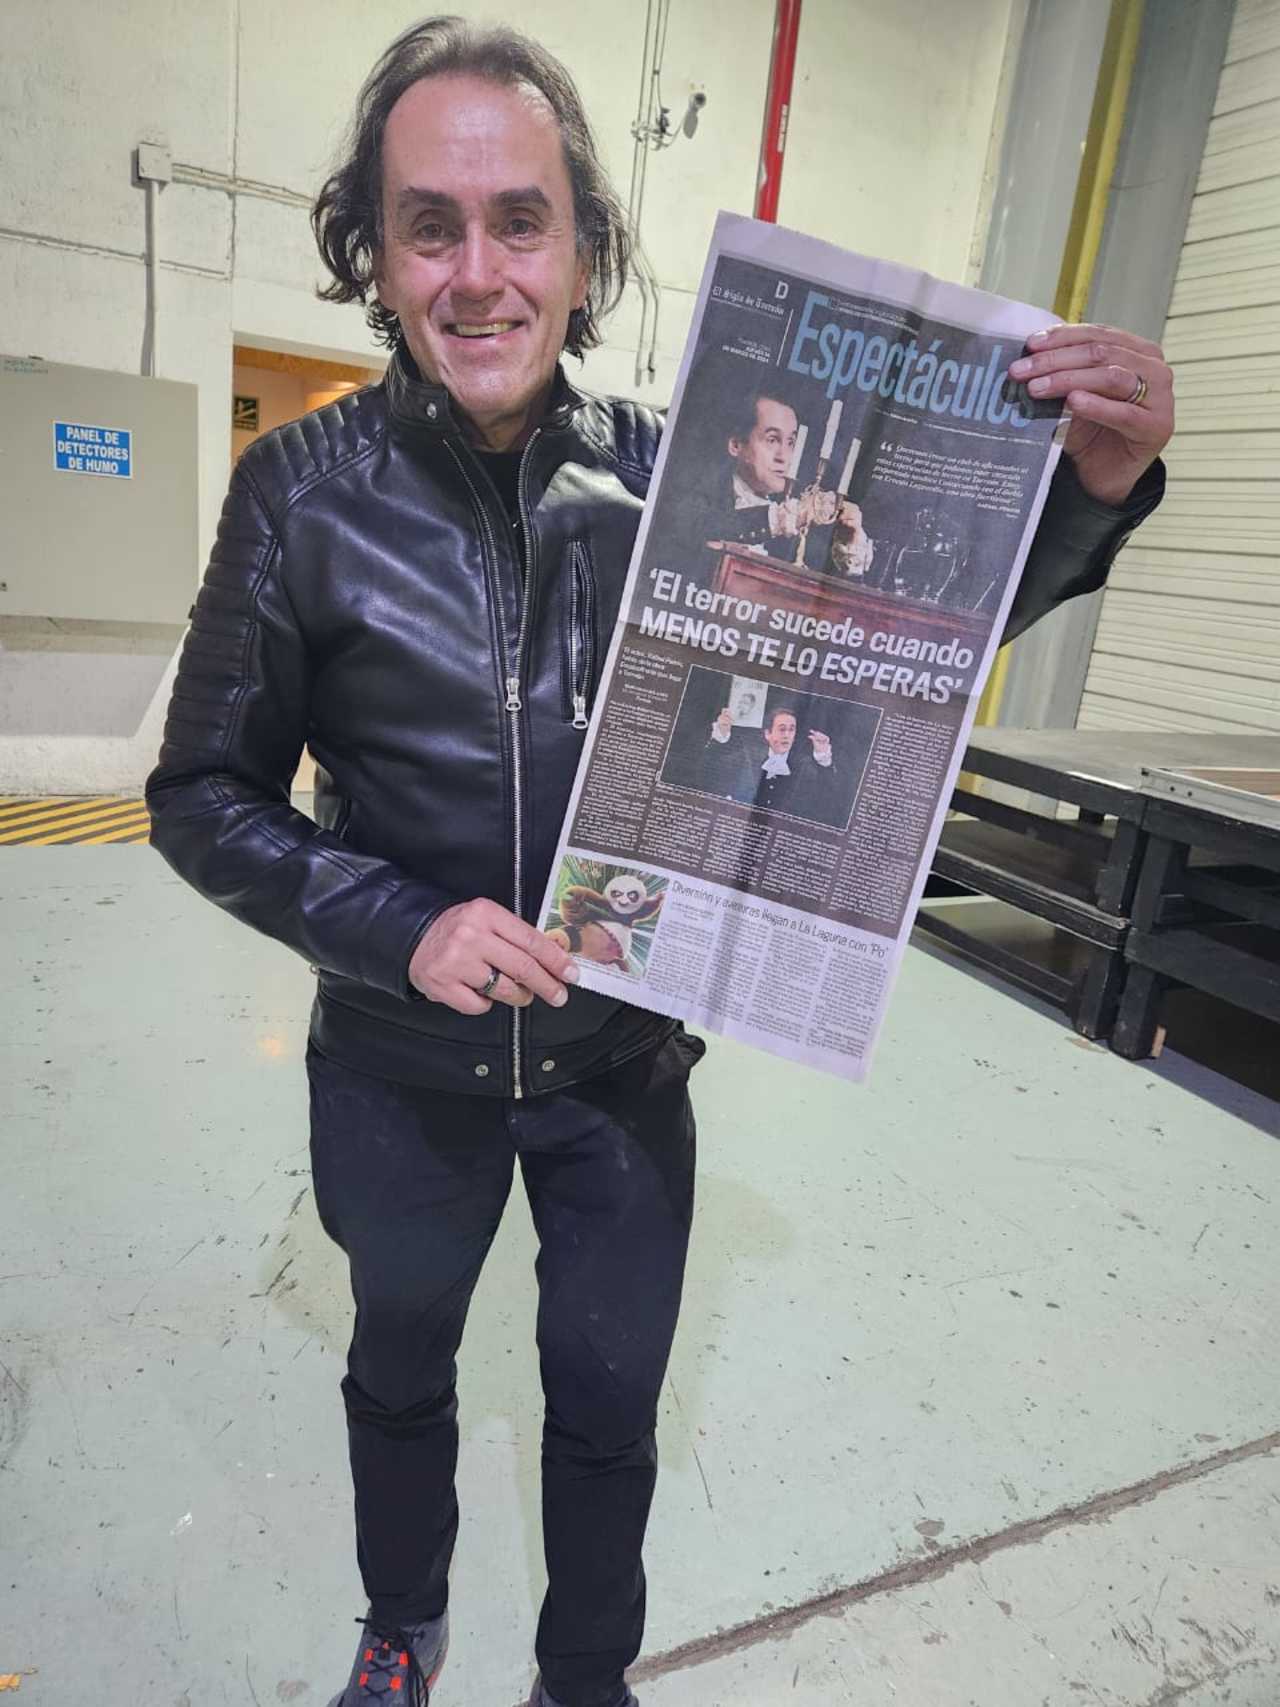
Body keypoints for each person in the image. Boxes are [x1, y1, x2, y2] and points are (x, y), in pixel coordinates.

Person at [145, 16, 1174, 1707]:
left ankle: (585, 1675)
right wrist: (395, 926)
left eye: (521, 221)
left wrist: (1092, 493)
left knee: (609, 1400)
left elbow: (891, 641)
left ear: (584, 251)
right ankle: (402, 1625)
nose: (479, 271)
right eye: (428, 225)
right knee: (398, 1366)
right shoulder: (298, 493)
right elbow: (200, 791)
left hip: (619, 1064)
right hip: (398, 1068)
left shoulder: (671, 479)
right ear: (376, 254)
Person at [700, 703, 843, 822]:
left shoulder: (804, 766)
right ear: (768, 734)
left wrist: (823, 757)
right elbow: (709, 769)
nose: (787, 735)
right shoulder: (748, 756)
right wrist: (721, 735)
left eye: (791, 730)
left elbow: (827, 793)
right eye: (782, 729)